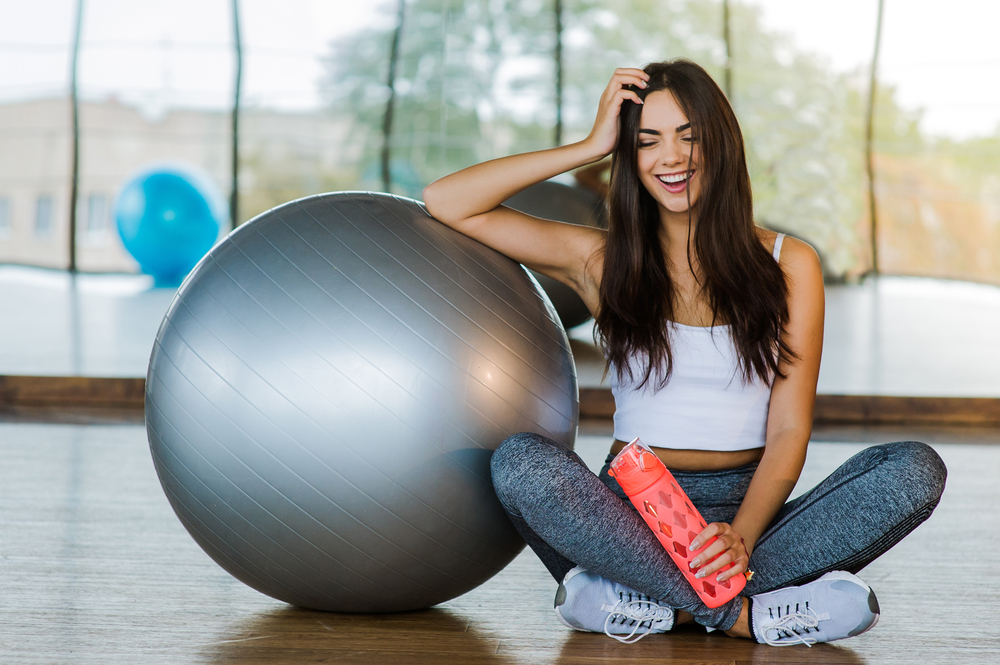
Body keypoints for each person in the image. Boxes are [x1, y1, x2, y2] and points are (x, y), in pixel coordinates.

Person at [423, 59, 946, 647]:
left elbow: (789, 429)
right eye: (647, 142)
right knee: (521, 464)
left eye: (688, 136)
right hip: (630, 520)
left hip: (750, 513)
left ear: (720, 144)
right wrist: (590, 145)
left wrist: (740, 537)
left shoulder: (788, 264)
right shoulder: (603, 260)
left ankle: (655, 606)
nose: (670, 157)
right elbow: (449, 201)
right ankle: (743, 616)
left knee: (913, 471)